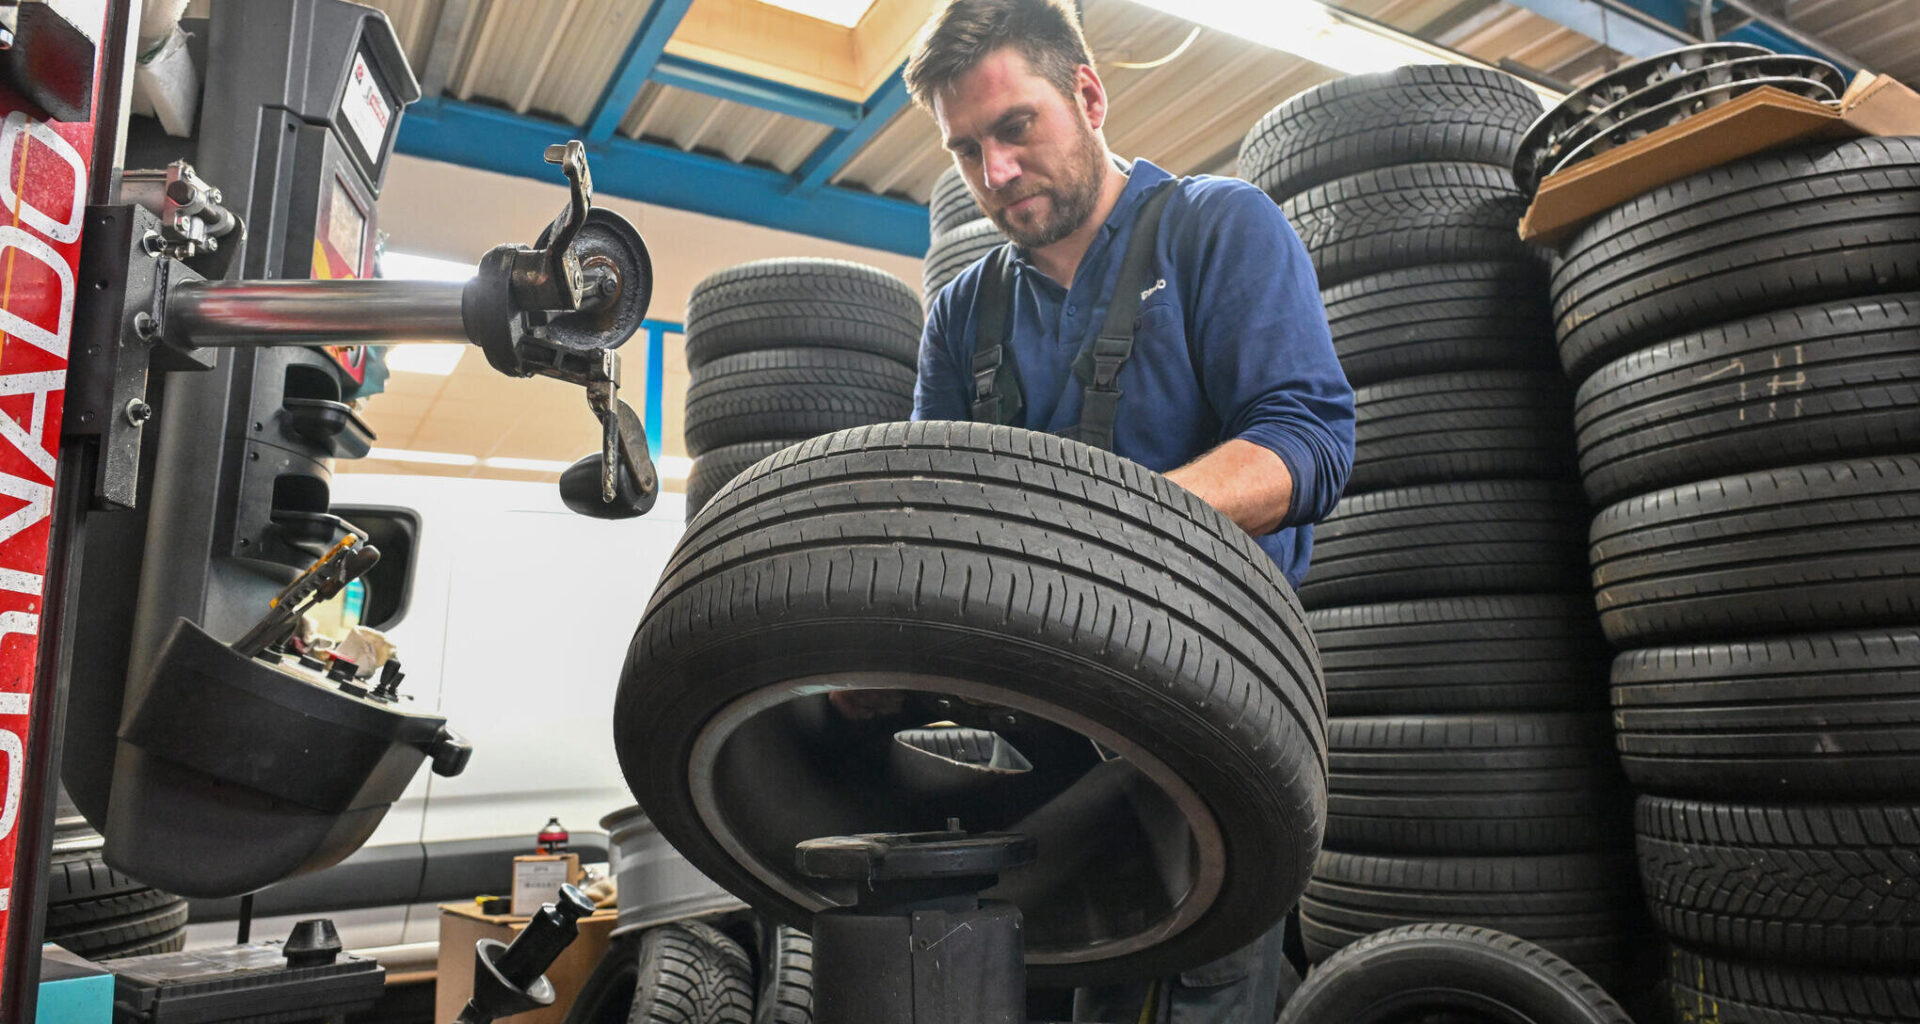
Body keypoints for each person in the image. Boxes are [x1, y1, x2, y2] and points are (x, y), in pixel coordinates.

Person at [901, 0, 1356, 1019]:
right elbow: (934, 519)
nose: (997, 174)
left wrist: (1113, 530)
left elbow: (1310, 440)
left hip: (1209, 733)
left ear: (1089, 94)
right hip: (1032, 752)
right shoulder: (960, 313)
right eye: (968, 149)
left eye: (1016, 127)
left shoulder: (1217, 227)